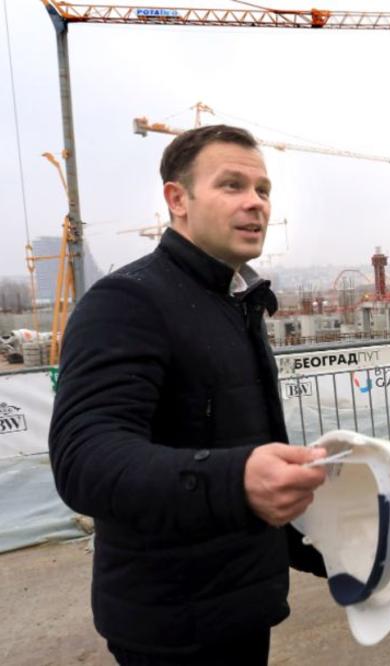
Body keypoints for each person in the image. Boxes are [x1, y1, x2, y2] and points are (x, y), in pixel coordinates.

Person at [49, 124, 330, 665]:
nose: (256, 204)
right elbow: (85, 460)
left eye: (264, 190)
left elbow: (235, 443)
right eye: (232, 186)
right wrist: (237, 480)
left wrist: (318, 543)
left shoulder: (234, 301)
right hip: (171, 623)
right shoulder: (127, 301)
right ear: (177, 200)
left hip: (239, 602)